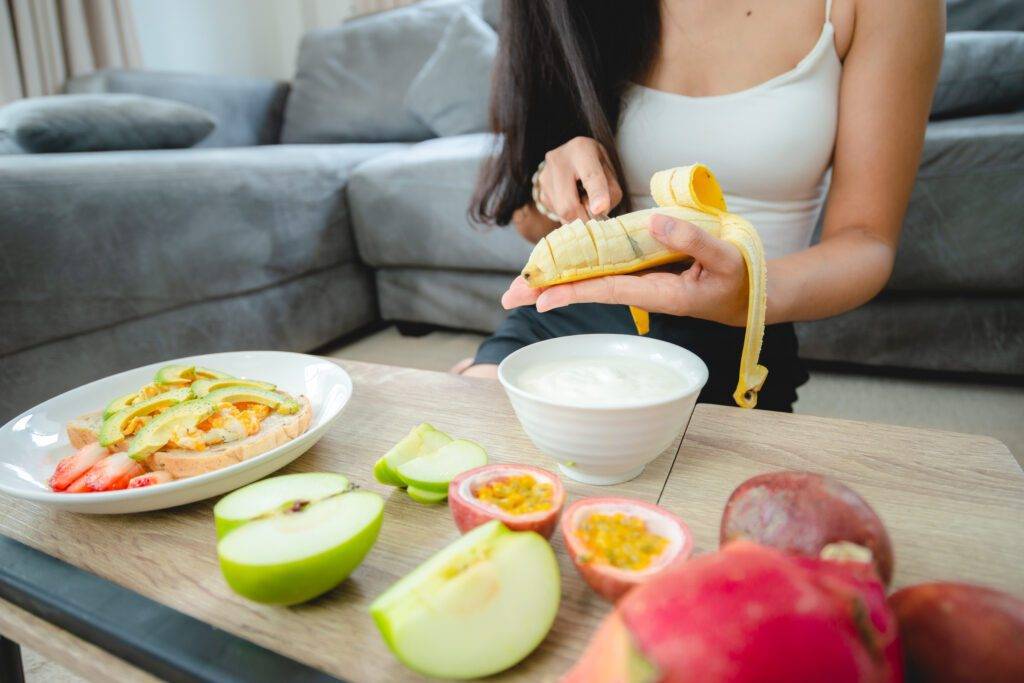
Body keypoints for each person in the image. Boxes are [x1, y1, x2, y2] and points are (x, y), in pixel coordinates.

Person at [455, 0, 943, 411]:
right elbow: (529, 222)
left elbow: (868, 240)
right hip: (565, 319)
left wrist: (749, 294)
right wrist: (549, 185)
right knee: (470, 440)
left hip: (740, 336)